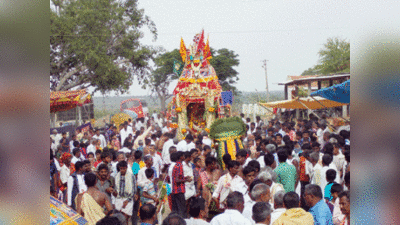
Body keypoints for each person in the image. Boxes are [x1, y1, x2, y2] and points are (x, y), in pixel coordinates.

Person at [171, 151, 192, 218]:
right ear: (181, 157)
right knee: (182, 210)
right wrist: (186, 180)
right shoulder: (179, 166)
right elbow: (177, 180)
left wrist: (185, 177)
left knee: (177, 210)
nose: (184, 157)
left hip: (175, 190)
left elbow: (177, 177)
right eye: (183, 156)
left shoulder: (176, 165)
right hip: (179, 190)